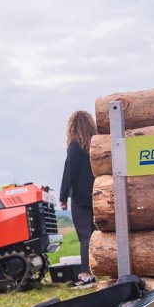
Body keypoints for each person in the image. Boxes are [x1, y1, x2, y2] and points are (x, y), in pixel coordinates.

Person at [59, 110, 97, 287]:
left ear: (72, 126)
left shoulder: (74, 145)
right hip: (98, 196)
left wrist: (63, 197)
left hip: (80, 199)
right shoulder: (96, 145)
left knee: (84, 237)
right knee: (95, 235)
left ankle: (85, 274)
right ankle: (97, 269)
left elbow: (69, 172)